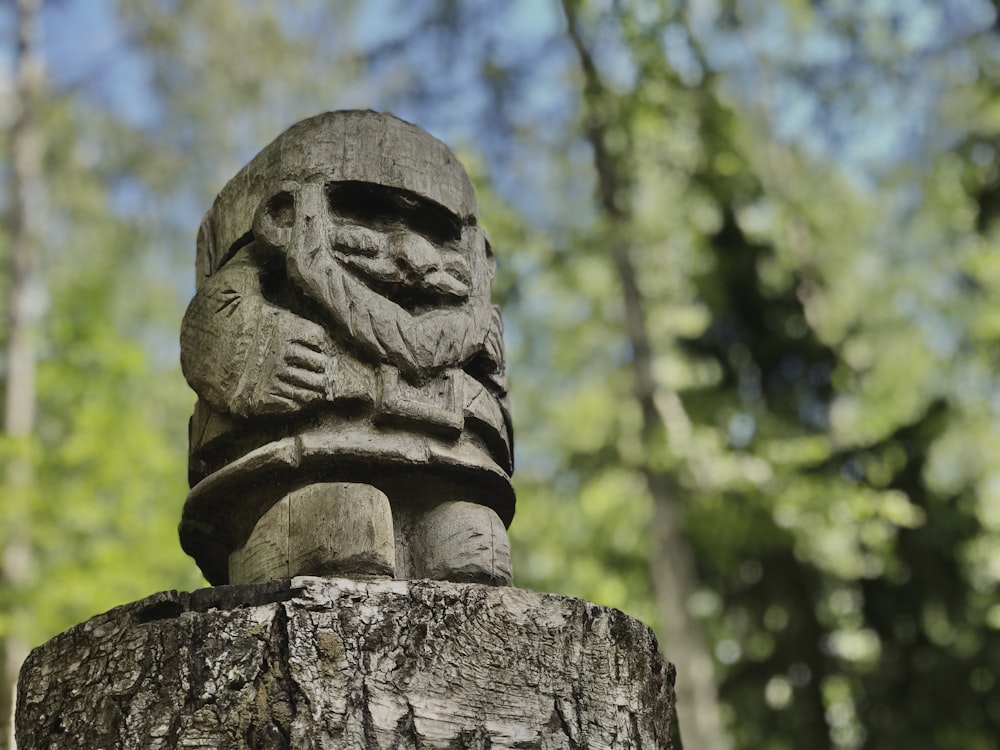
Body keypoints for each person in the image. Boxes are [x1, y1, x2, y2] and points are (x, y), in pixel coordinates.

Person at [179, 111, 514, 586]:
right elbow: (210, 333)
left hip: (453, 471)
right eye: (369, 216)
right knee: (345, 521)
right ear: (282, 215)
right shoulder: (256, 271)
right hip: (300, 472)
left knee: (475, 541)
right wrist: (261, 353)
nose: (414, 257)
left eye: (439, 235)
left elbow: (497, 403)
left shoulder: (477, 316)